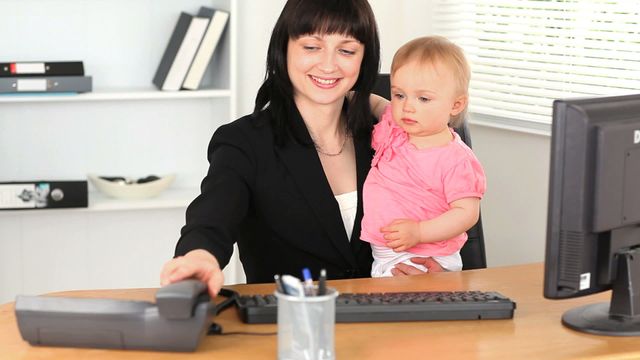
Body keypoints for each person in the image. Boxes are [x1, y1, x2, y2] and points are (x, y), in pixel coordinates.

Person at [361, 36, 486, 277]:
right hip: (385, 255)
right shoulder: (396, 128)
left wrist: (419, 232)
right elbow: (377, 104)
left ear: (456, 105)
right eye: (400, 95)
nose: (407, 106)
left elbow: (466, 212)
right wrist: (348, 94)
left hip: (426, 256)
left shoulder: (455, 158)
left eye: (423, 98)